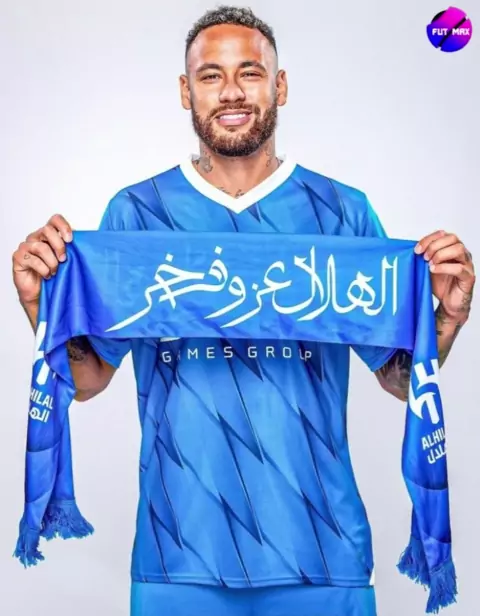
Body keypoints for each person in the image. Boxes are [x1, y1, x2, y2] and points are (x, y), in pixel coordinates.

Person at [11, 6, 475, 616]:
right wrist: (39, 306)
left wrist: (444, 324)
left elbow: (399, 378)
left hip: (324, 554)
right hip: (176, 554)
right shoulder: (137, 216)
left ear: (279, 86)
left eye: (250, 73)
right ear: (187, 92)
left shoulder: (341, 213)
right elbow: (89, 377)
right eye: (211, 76)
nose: (231, 91)